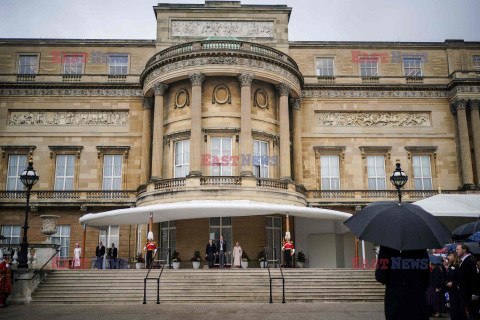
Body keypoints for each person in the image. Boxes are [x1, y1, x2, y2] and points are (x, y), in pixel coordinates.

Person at [375, 245, 430, 320]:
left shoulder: (386, 246)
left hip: (395, 298)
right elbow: (427, 277)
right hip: (417, 298)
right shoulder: (420, 245)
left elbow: (380, 276)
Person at [457, 243, 479, 320]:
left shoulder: (469, 261)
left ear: (464, 250)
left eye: (458, 249)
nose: (456, 251)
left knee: (473, 314)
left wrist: (475, 293)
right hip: (465, 292)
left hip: (469, 293)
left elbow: (474, 278)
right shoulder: (464, 261)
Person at [446, 252, 467, 320]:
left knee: (457, 306)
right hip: (451, 290)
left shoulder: (458, 266)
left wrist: (453, 283)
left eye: (450, 255)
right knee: (452, 306)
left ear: (454, 256)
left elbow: (461, 278)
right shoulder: (450, 265)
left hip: (457, 290)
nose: (448, 257)